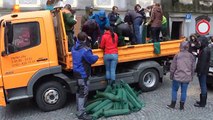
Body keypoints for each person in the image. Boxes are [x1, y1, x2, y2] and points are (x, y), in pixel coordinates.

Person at [71, 32, 99, 120]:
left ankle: (79, 108)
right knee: (83, 92)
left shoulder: (74, 47)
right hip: (83, 74)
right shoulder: (85, 50)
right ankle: (81, 113)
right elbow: (91, 59)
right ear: (85, 39)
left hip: (76, 72)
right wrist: (97, 56)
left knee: (79, 91)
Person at [167, 41, 195, 110]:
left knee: (174, 90)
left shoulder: (177, 55)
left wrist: (171, 75)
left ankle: (173, 104)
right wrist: (191, 76)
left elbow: (173, 67)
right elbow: (193, 68)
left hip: (177, 76)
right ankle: (181, 106)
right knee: (184, 92)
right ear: (188, 47)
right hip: (187, 76)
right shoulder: (191, 56)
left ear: (181, 46)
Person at [194, 36, 210, 108]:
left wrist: (199, 72)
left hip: (202, 71)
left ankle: (202, 103)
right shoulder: (204, 49)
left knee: (203, 86)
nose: (199, 42)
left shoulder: (205, 50)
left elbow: (203, 63)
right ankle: (202, 101)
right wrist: (197, 55)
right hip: (203, 70)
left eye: (200, 41)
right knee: (202, 85)